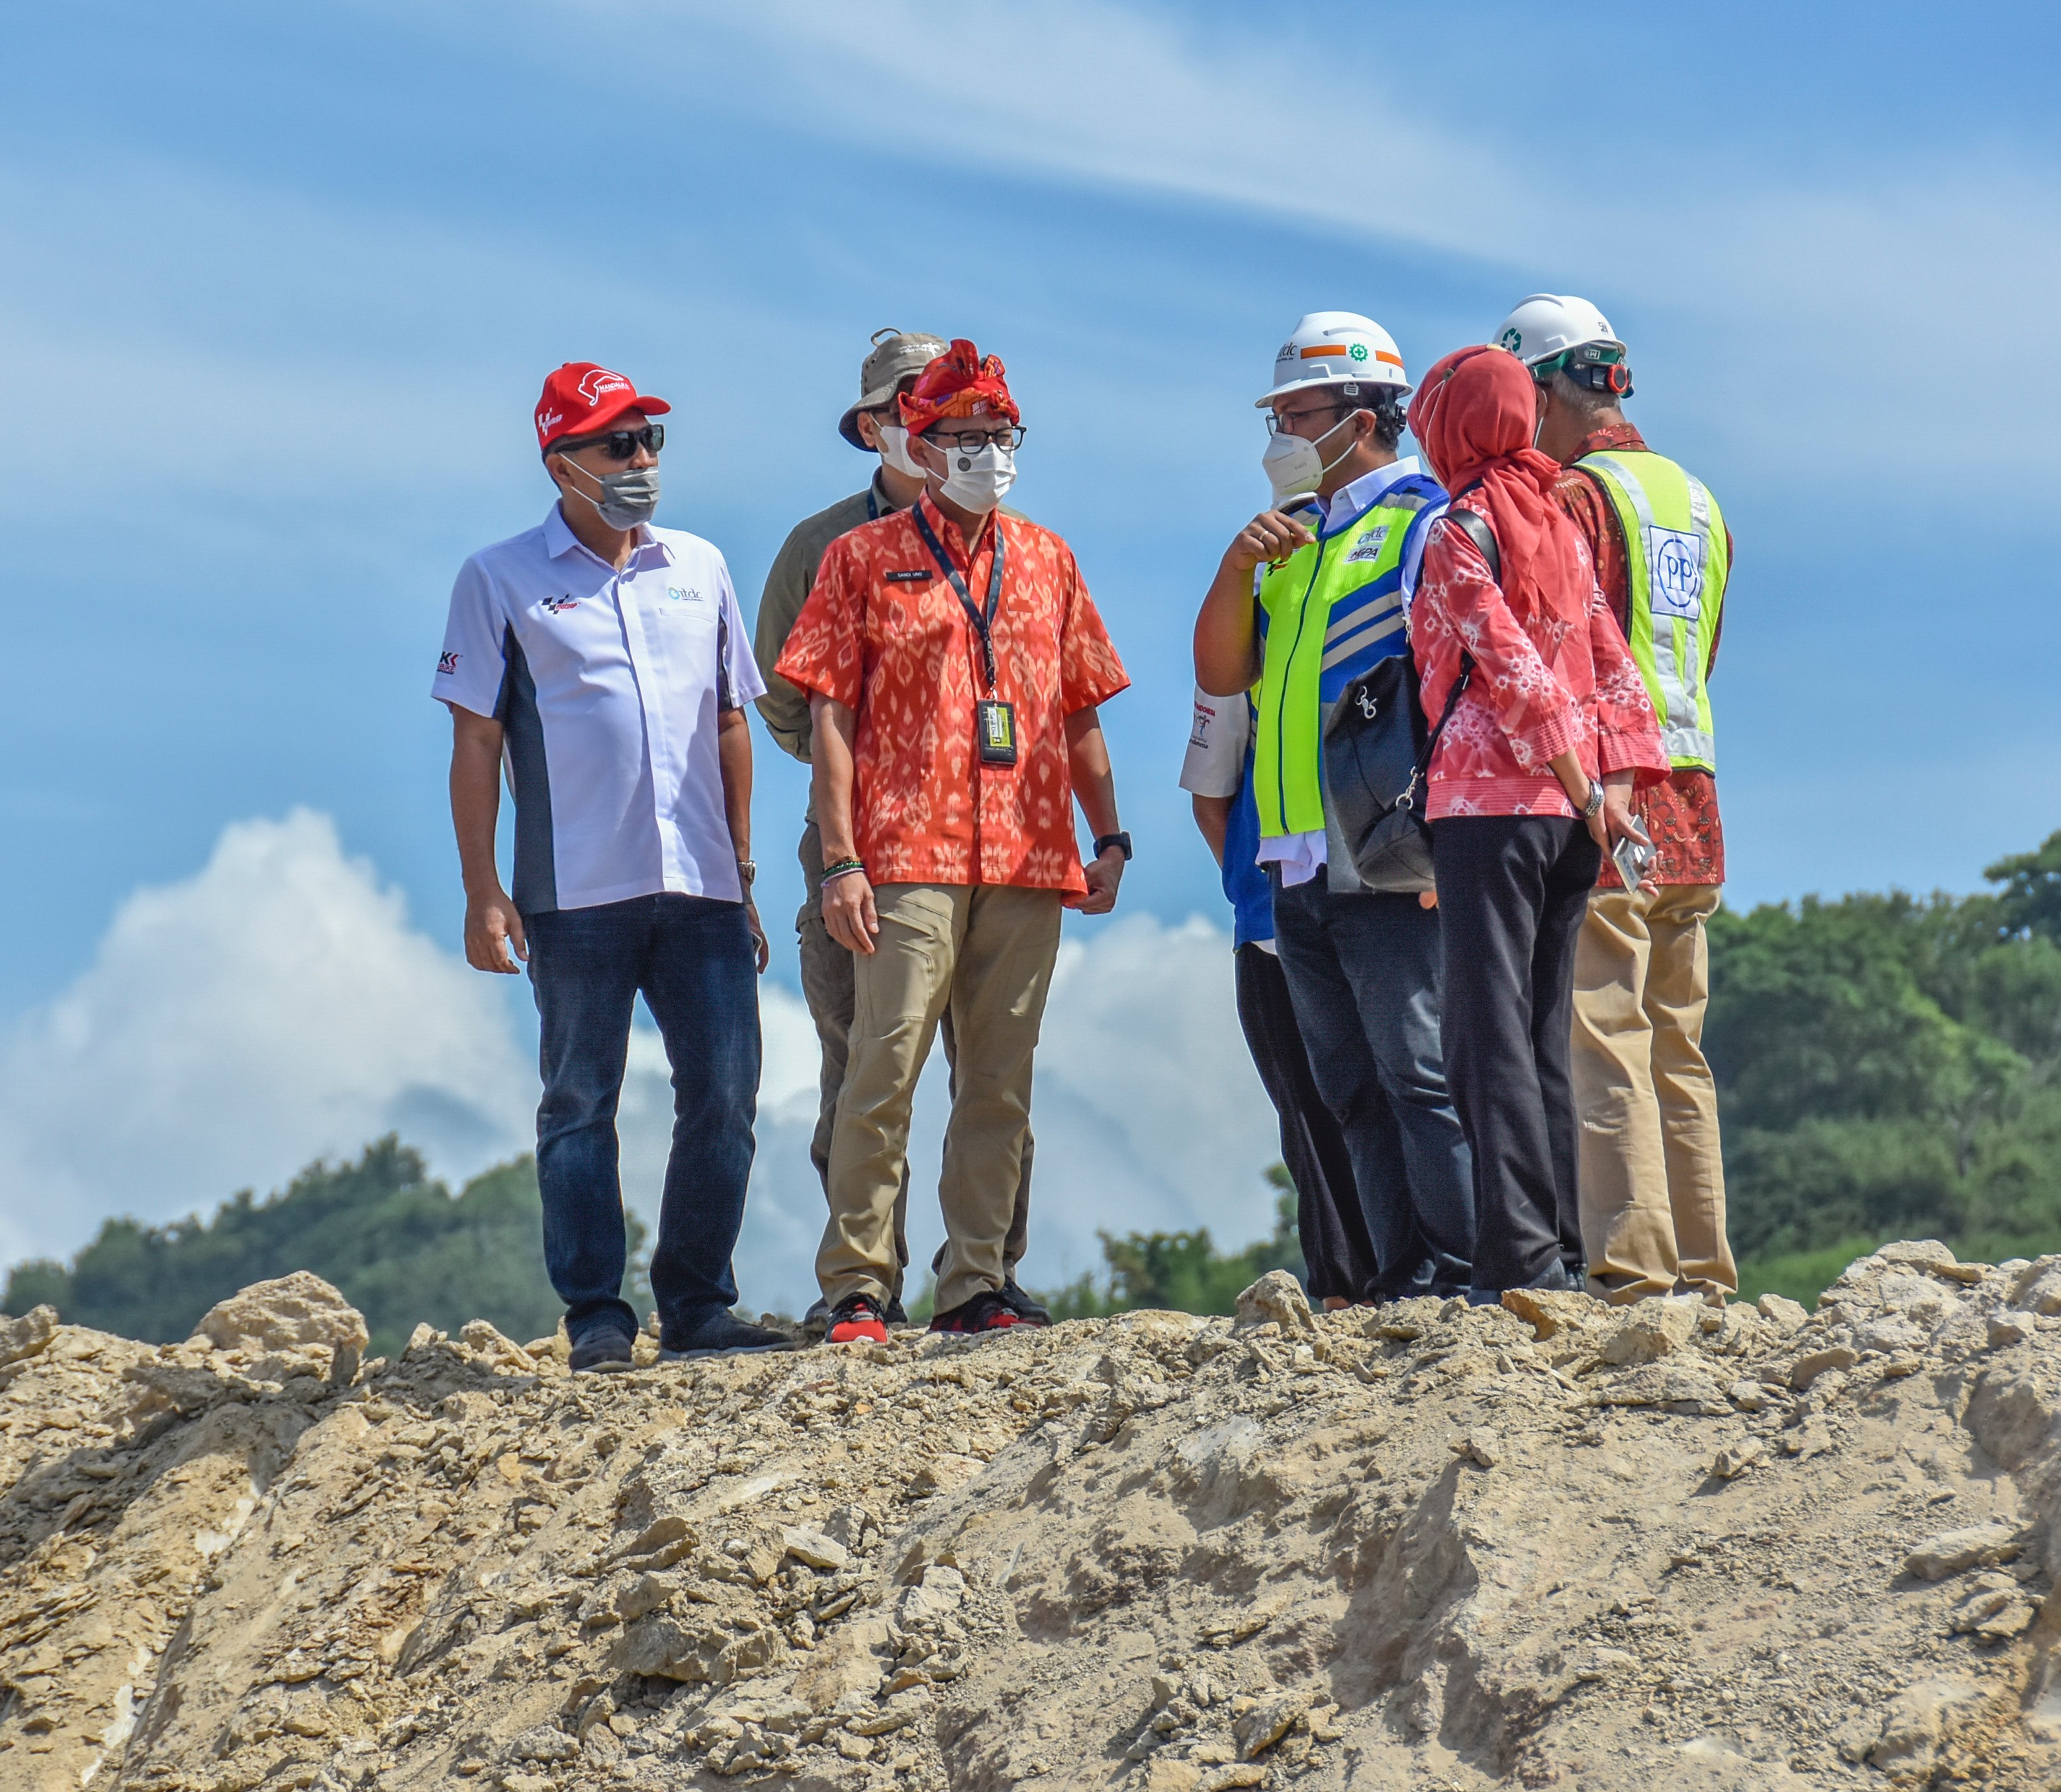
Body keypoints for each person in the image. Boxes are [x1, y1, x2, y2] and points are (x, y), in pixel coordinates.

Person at [434, 361, 790, 1373]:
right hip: (572, 892)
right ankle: (596, 1313)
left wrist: (748, 871)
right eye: (617, 445)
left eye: (650, 443)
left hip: (705, 885)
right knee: (579, 1099)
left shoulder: (701, 565)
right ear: (562, 462)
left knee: (725, 1091)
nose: (641, 463)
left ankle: (698, 1305)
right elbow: (475, 743)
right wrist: (482, 892)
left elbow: (731, 720)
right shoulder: (498, 578)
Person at [774, 341, 1131, 1342]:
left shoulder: (1049, 557)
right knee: (881, 1069)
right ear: (919, 448)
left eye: (997, 436)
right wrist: (840, 858)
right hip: (906, 853)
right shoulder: (857, 556)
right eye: (962, 437)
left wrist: (1111, 837)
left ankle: (976, 1279)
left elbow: (1081, 710)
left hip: (1025, 852)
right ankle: (858, 1282)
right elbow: (829, 717)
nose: (983, 453)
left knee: (999, 1081)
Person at [1190, 311, 1477, 1300]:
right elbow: (1225, 677)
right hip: (1298, 855)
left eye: (1294, 413)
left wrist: (1445, 847)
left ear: (1359, 418)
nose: (1276, 435)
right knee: (1350, 1088)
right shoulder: (1295, 541)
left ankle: (1465, 1266)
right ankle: (1401, 1273)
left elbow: (1450, 683)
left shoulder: (1420, 523)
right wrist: (1238, 569)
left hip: (1388, 854)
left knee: (1421, 1075)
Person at [1404, 344, 1667, 1297]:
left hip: (1488, 805)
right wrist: (1611, 791)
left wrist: (1574, 772)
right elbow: (1612, 662)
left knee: (1486, 1035)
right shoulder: (1556, 521)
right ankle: (1556, 1245)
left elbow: (1508, 665)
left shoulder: (1460, 526)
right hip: (1570, 819)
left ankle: (1513, 1256)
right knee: (1543, 1024)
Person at [1497, 294, 1739, 1302]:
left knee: (1605, 1035)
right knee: (1680, 1042)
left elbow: (1566, 660)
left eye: (1524, 396)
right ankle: (1704, 1266)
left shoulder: (1578, 501)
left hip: (1616, 796)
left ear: (1553, 388)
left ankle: (1634, 1269)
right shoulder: (1697, 498)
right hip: (1699, 800)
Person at [1179, 688, 1376, 1305]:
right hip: (1273, 919)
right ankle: (1346, 1293)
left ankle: (1412, 1276)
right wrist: (1247, 886)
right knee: (1311, 1123)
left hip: (1380, 896)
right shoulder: (1242, 642)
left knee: (1395, 1095)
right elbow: (1210, 797)